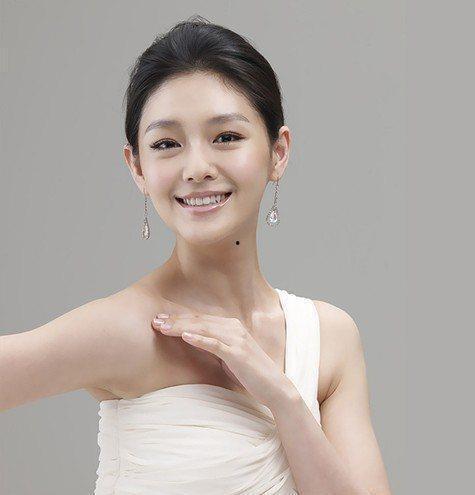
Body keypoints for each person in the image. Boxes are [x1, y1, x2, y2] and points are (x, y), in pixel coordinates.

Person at [0, 15, 392, 495]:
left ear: (278, 152)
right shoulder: (132, 328)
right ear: (137, 167)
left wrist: (282, 397)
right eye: (166, 144)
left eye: (226, 137)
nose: (197, 168)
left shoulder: (330, 338)